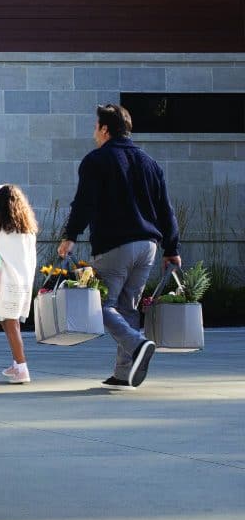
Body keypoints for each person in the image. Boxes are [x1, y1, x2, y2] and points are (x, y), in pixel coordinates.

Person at [58, 104, 181, 391]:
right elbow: (166, 210)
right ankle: (124, 373)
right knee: (127, 309)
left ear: (105, 129)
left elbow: (84, 203)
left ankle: (137, 344)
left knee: (97, 304)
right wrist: (171, 248)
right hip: (148, 247)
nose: (93, 133)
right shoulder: (150, 163)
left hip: (116, 245)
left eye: (95, 127)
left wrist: (70, 235)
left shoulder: (96, 160)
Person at [0, 184, 38, 384]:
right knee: (12, 323)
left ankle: (22, 368)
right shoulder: (28, 233)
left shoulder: (0, 233)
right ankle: (17, 364)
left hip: (8, 284)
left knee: (10, 325)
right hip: (24, 283)